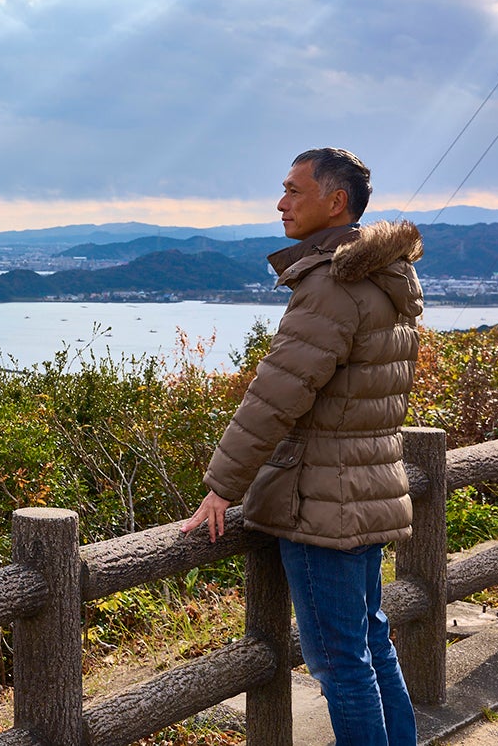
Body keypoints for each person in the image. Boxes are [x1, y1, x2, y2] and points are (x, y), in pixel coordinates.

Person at [180, 148, 424, 746]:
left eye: (294, 190)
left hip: (322, 500)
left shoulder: (332, 285)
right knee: (371, 646)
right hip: (369, 489)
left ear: (335, 201)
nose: (281, 202)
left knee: (341, 664)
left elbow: (275, 397)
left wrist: (221, 487)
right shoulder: (384, 279)